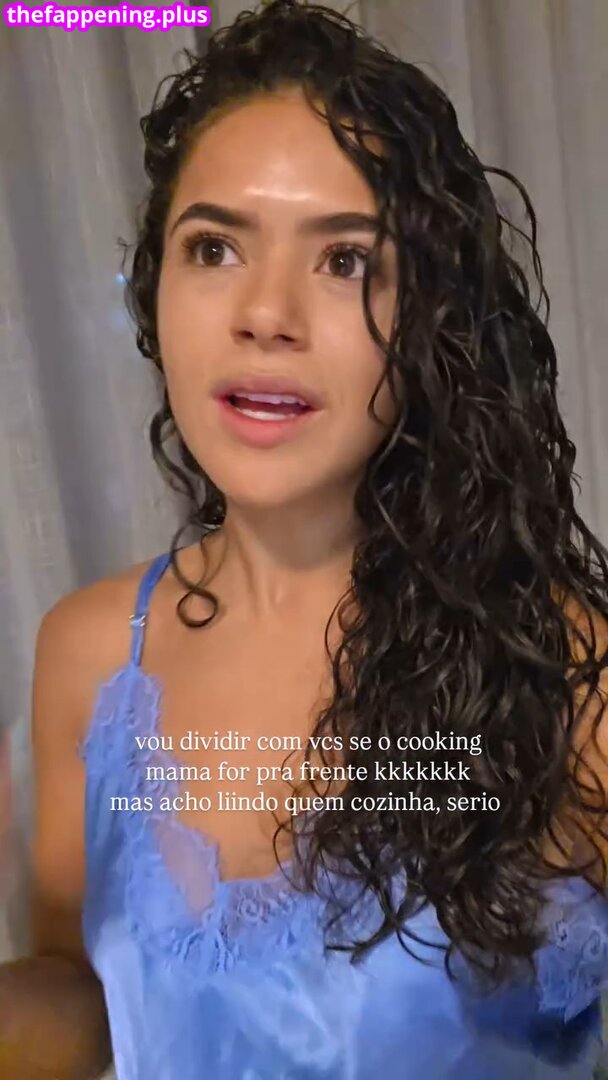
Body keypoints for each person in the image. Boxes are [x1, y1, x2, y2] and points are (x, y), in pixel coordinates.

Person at [1, 0, 608, 1076]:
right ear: (156, 291)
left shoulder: (558, 669)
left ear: (429, 324)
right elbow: (81, 987)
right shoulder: (87, 651)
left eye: (343, 261)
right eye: (214, 247)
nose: (265, 313)